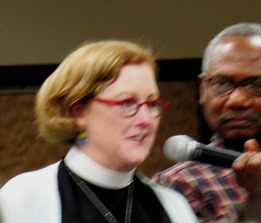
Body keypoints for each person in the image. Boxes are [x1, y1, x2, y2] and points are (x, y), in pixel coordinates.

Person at [0, 40, 198, 223]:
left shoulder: (174, 207)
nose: (146, 120)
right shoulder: (23, 199)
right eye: (127, 103)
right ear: (78, 112)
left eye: (152, 103)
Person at [152, 22, 261, 223]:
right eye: (222, 84)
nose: (236, 100)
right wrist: (256, 203)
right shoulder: (179, 184)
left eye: (255, 85)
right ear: (203, 89)